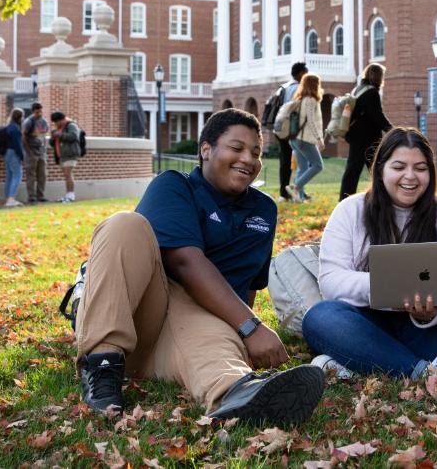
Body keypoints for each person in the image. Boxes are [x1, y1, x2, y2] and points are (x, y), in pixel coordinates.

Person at [74, 109, 325, 425]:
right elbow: (184, 261)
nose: (248, 159)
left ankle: (237, 393)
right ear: (206, 149)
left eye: (256, 152)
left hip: (190, 336)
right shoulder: (174, 186)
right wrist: (251, 326)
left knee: (210, 338)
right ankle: (102, 365)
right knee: (125, 225)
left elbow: (248, 287)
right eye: (236, 148)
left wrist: (237, 335)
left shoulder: (264, 210)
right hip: (142, 319)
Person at [303, 127, 437, 379]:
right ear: (380, 169)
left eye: (420, 168)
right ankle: (427, 370)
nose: (410, 176)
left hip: (428, 330)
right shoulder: (349, 210)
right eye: (398, 167)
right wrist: (390, 286)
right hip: (365, 324)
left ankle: (367, 363)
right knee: (321, 317)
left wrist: (430, 313)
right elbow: (331, 282)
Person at [338, 62, 392, 201]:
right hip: (368, 138)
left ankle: (344, 199)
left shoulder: (358, 89)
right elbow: (377, 115)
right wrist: (391, 129)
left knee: (353, 170)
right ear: (378, 76)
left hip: (355, 136)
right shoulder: (372, 93)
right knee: (378, 169)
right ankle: (384, 197)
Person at [284, 73, 324, 203]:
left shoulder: (299, 99)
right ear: (314, 85)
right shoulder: (311, 100)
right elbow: (311, 122)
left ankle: (299, 198)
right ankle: (295, 187)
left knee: (303, 168)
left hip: (294, 138)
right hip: (304, 139)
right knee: (318, 165)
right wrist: (319, 139)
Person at [277, 62, 308, 202]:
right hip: (291, 130)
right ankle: (295, 191)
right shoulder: (297, 88)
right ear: (300, 73)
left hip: (280, 128)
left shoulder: (286, 86)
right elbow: (297, 111)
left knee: (286, 161)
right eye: (305, 72)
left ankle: (286, 192)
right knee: (301, 162)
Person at [50, 111, 82, 203]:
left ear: (62, 119)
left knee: (68, 174)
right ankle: (68, 195)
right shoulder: (60, 128)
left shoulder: (71, 125)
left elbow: (74, 136)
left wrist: (59, 134)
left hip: (70, 154)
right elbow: (53, 143)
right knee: (66, 175)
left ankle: (71, 196)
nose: (56, 124)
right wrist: (53, 137)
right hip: (62, 155)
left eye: (57, 122)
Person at [21, 102, 49, 203]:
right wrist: (28, 151)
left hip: (41, 151)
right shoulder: (28, 122)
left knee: (42, 175)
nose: (40, 114)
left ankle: (40, 196)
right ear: (33, 111)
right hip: (31, 151)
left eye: (41, 111)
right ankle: (31, 197)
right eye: (37, 112)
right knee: (31, 175)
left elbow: (44, 135)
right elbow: (23, 136)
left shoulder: (44, 121)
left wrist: (44, 149)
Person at [2, 108, 25, 208]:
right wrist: (22, 156)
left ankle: (8, 198)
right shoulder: (15, 128)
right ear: (20, 117)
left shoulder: (8, 127)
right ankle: (11, 199)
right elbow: (17, 145)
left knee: (10, 176)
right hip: (13, 153)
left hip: (6, 153)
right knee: (17, 175)